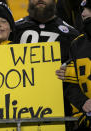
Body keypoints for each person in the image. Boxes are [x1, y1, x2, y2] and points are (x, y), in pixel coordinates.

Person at [56, 0, 91, 130]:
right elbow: (70, 84)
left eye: (89, 9)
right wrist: (83, 102)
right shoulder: (77, 44)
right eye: (83, 10)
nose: (84, 13)